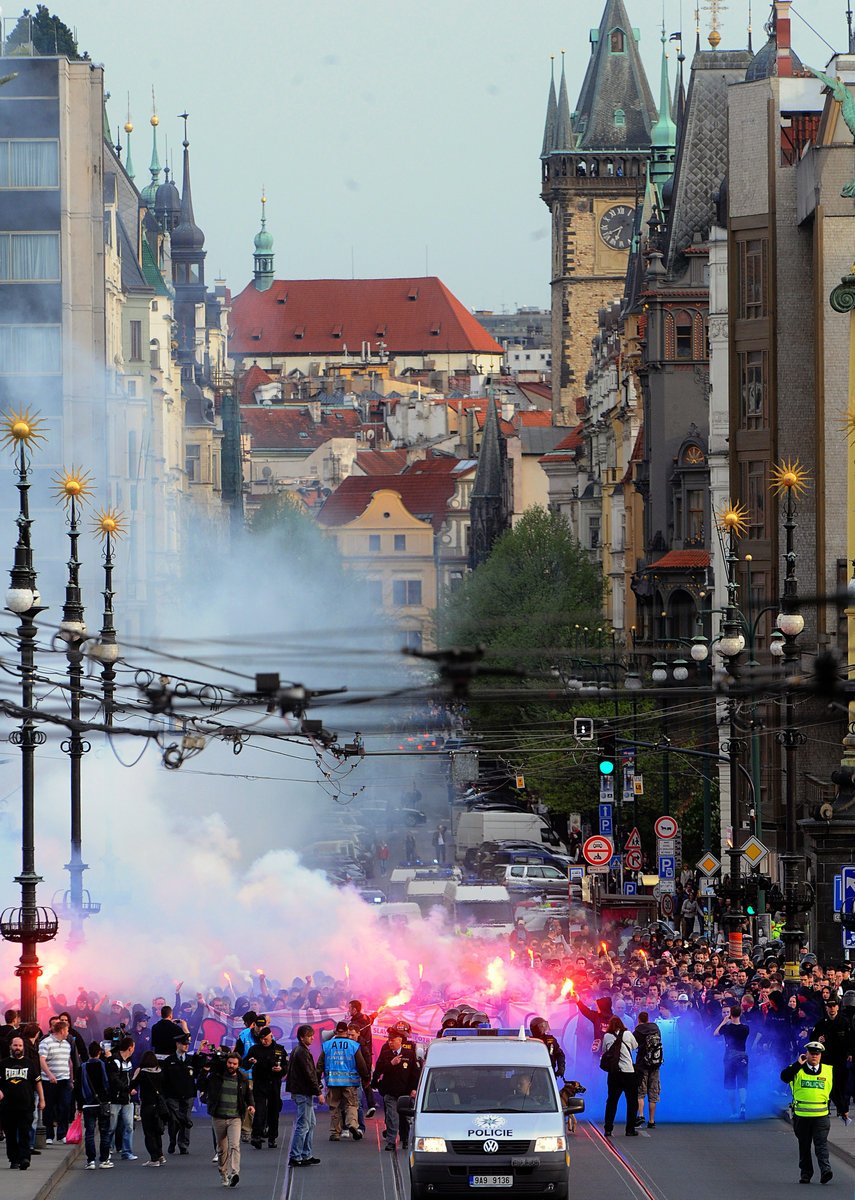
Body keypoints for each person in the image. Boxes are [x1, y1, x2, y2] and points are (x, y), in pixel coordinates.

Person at [781, 1041, 834, 1185]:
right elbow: (784, 1077)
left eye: (817, 1054)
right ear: (807, 1054)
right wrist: (797, 1064)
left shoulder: (828, 1070)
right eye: (812, 1053)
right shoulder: (797, 1069)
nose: (815, 1056)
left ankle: (825, 1171)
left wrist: (843, 1109)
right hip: (802, 1117)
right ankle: (806, 1174)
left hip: (821, 1116)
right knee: (804, 1145)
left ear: (821, 1056)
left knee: (821, 1144)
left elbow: (835, 1090)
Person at [207, 1050, 254, 1188]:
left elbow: (248, 1094)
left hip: (235, 1117)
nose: (231, 1066)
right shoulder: (217, 1076)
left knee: (235, 1145)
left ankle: (234, 1173)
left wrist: (251, 1105)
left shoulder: (242, 1078)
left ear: (238, 1065)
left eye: (234, 1064)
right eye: (229, 1063)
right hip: (219, 1117)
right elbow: (203, 1084)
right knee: (222, 1149)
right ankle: (223, 1173)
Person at [317, 1020, 370, 1141]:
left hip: (332, 1081)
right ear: (346, 1032)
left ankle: (335, 1132)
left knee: (334, 1106)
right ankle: (352, 1124)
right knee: (351, 1104)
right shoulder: (353, 1045)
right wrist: (366, 1078)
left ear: (336, 1031)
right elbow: (361, 1064)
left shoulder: (327, 1045)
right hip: (350, 1082)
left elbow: (320, 1064)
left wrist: (318, 1080)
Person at [371, 1028, 421, 1151]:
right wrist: (391, 1064)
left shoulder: (408, 1054)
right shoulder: (386, 1053)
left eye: (392, 1040)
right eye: (389, 1040)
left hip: (404, 1093)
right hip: (390, 1091)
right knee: (392, 1117)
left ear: (399, 1040)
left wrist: (414, 1088)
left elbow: (415, 1073)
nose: (390, 1042)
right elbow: (378, 1069)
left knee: (404, 1118)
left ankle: (404, 1140)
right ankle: (391, 1141)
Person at [0, 1034, 44, 1171]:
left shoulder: (29, 1063)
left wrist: (42, 1099)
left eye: (20, 1046)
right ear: (10, 1047)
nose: (17, 1048)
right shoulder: (3, 1064)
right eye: (15, 1045)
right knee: (11, 1134)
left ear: (23, 1048)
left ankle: (25, 1158)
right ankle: (14, 1159)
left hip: (26, 1105)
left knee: (25, 1132)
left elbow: (38, 1082)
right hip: (7, 1106)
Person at [242, 1025, 287, 1149]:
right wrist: (250, 1062)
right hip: (260, 1083)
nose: (263, 1041)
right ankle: (256, 1136)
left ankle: (272, 1137)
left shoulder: (279, 1049)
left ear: (271, 1036)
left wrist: (281, 1069)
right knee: (260, 1111)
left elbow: (285, 1066)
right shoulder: (255, 1049)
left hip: (274, 1083)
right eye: (261, 1039)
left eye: (266, 1039)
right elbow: (244, 1064)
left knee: (274, 1111)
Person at [285, 1024, 322, 1168]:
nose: (312, 1038)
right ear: (302, 1037)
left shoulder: (298, 1050)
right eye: (309, 1035)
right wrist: (318, 1092)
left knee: (310, 1123)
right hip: (303, 1092)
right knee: (303, 1125)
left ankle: (306, 1154)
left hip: (301, 1091)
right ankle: (296, 1156)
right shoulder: (302, 1052)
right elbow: (309, 1073)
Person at [811, 995, 852, 1125]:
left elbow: (851, 1039)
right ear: (826, 1008)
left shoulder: (845, 1022)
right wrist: (818, 1040)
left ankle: (842, 1110)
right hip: (826, 1059)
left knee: (841, 1085)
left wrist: (850, 1053)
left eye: (834, 1006)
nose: (832, 1009)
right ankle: (826, 1108)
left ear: (838, 1007)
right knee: (827, 1084)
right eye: (829, 1006)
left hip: (840, 1058)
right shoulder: (821, 1023)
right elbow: (812, 1040)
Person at [39, 1016, 75, 1144]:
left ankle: (62, 1134)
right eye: (67, 1030)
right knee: (49, 1107)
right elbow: (42, 1059)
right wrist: (49, 1074)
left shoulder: (67, 1044)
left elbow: (69, 1062)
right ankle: (49, 1135)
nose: (68, 1033)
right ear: (61, 1031)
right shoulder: (46, 1042)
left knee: (64, 1106)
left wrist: (71, 1079)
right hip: (49, 1081)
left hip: (64, 1079)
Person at [601, 1016, 639, 1138]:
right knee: (632, 1102)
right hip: (628, 1072)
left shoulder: (607, 1036)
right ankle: (630, 1129)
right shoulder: (628, 1034)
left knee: (612, 1101)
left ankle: (608, 1129)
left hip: (614, 1073)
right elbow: (635, 1046)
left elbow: (604, 1050)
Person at [162, 1031, 198, 1155]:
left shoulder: (191, 1060)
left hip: (188, 1094)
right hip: (173, 1095)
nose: (186, 1046)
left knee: (186, 1120)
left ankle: (183, 1144)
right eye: (183, 1044)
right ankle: (172, 1140)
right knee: (174, 1120)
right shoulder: (169, 1060)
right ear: (177, 1044)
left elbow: (197, 1073)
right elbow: (164, 1079)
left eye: (187, 1044)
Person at [79, 1041, 113, 1170]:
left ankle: (91, 1161)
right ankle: (104, 1160)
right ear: (99, 1052)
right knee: (104, 1132)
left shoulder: (82, 1067)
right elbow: (109, 1083)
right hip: (103, 1103)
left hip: (88, 1104)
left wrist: (79, 1106)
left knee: (89, 1133)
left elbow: (78, 1087)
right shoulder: (104, 1066)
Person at [715, 1004, 749, 1119]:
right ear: (740, 1014)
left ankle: (734, 1111)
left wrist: (724, 1022)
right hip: (742, 1056)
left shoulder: (727, 1028)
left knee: (730, 1084)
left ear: (730, 1014)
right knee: (742, 1082)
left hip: (729, 1056)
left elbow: (715, 1034)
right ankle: (743, 1106)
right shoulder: (745, 1028)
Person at [106, 1035, 138, 1160]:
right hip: (116, 1099)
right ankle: (108, 1149)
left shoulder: (129, 1061)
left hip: (127, 1099)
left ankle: (127, 1152)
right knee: (111, 1127)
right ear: (130, 1048)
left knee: (129, 1126)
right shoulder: (115, 1060)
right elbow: (114, 1080)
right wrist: (128, 1089)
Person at [133, 1050, 166, 1167]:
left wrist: (135, 1075)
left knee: (149, 1133)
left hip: (147, 1106)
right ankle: (161, 1155)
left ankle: (154, 1158)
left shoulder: (143, 1073)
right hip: (159, 1106)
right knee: (158, 1131)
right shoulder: (161, 1072)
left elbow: (132, 1086)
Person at [633, 1012, 663, 1128]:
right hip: (655, 1065)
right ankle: (651, 1121)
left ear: (639, 1019)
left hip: (642, 1065)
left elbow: (633, 1045)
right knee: (653, 1093)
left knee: (640, 1092)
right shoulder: (656, 1029)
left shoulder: (637, 1031)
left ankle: (640, 1115)